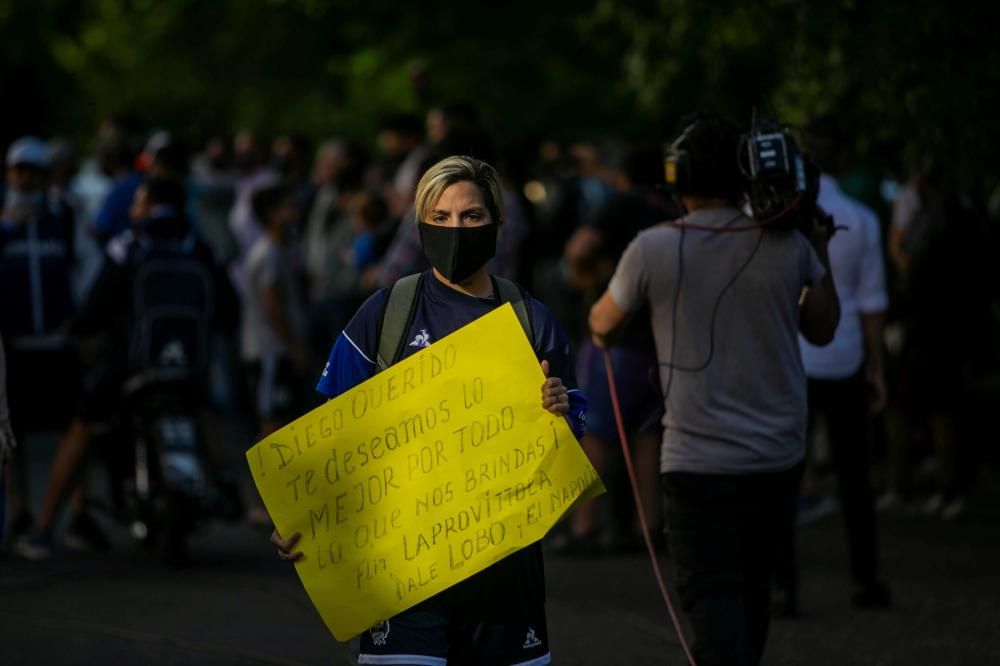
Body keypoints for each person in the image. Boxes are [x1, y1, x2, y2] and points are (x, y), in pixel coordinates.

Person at [272, 155, 587, 666]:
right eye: (440, 218)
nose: (455, 229)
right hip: (403, 577)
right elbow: (330, 434)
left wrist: (561, 411)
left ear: (498, 225)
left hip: (505, 579)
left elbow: (568, 440)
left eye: (471, 216)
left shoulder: (533, 321)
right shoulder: (385, 314)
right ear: (420, 225)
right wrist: (298, 514)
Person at [588, 115, 840, 666]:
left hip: (697, 460)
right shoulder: (788, 243)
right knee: (752, 589)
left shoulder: (652, 248)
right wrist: (816, 247)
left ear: (678, 178)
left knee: (712, 594)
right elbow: (823, 326)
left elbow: (602, 324)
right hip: (778, 453)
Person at [15, 177, 237, 559]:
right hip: (190, 368)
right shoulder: (201, 247)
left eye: (137, 203)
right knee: (204, 413)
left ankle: (42, 527)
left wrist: (79, 329)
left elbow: (96, 304)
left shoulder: (130, 246)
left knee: (83, 427)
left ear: (147, 203)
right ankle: (228, 486)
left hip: (134, 367)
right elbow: (229, 309)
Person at [773, 118, 892, 615]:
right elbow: (871, 303)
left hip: (793, 362)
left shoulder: (782, 217)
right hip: (844, 359)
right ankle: (866, 579)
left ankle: (784, 587)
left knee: (784, 478)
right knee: (854, 477)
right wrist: (876, 367)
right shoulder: (862, 219)